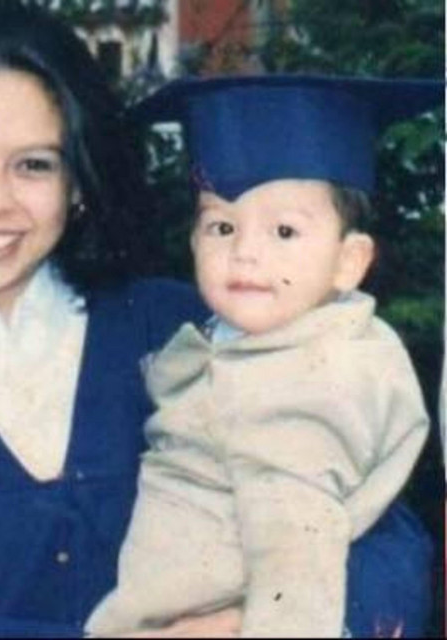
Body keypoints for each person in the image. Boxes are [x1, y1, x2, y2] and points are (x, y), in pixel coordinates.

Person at [0, 3, 434, 636]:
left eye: (34, 164)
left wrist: (248, 625)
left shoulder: (195, 332)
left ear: (78, 181)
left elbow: (387, 545)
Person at [86, 75, 443, 638]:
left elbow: (296, 556)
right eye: (222, 225)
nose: (246, 252)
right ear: (194, 242)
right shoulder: (257, 340)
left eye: (284, 231)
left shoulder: (308, 383)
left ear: (349, 261)